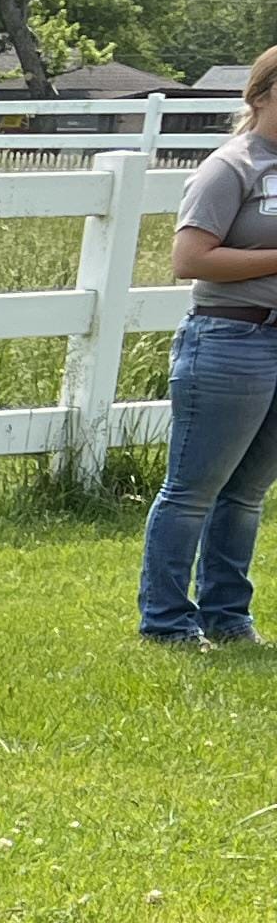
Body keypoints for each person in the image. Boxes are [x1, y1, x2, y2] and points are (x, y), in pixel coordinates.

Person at [146, 44, 277, 644]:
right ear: (263, 95)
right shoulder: (231, 167)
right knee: (193, 491)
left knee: (248, 493)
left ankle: (228, 617)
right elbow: (190, 259)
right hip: (231, 338)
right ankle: (167, 621)